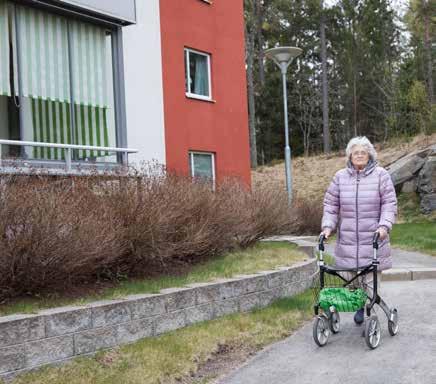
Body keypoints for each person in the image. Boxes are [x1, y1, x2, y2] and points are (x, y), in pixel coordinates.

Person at [320, 136, 397, 325]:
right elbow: (331, 205)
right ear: (350, 156)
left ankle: (367, 310)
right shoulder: (340, 177)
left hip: (373, 239)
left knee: (370, 285)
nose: (360, 155)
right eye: (356, 152)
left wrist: (384, 226)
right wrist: (328, 227)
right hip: (347, 242)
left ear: (370, 154)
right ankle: (360, 306)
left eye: (363, 152)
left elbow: (389, 203)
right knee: (351, 282)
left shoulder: (381, 175)